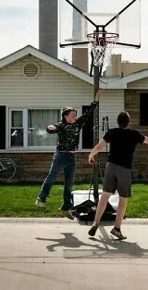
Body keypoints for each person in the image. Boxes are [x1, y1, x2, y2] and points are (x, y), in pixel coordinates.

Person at [86, 111, 148, 240]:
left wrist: (91, 155)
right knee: (123, 199)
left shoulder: (112, 132)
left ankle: (96, 222)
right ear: (128, 122)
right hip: (124, 169)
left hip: (111, 166)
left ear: (118, 122)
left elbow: (99, 146)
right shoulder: (134, 134)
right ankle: (117, 229)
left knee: (104, 196)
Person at [35, 90, 101, 218]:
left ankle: (66, 207)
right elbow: (51, 129)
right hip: (60, 155)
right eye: (73, 114)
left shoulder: (78, 123)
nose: (75, 116)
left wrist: (95, 101)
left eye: (75, 114)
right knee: (52, 176)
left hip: (71, 156)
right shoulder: (61, 125)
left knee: (69, 183)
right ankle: (41, 199)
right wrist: (50, 128)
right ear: (66, 116)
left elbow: (88, 113)